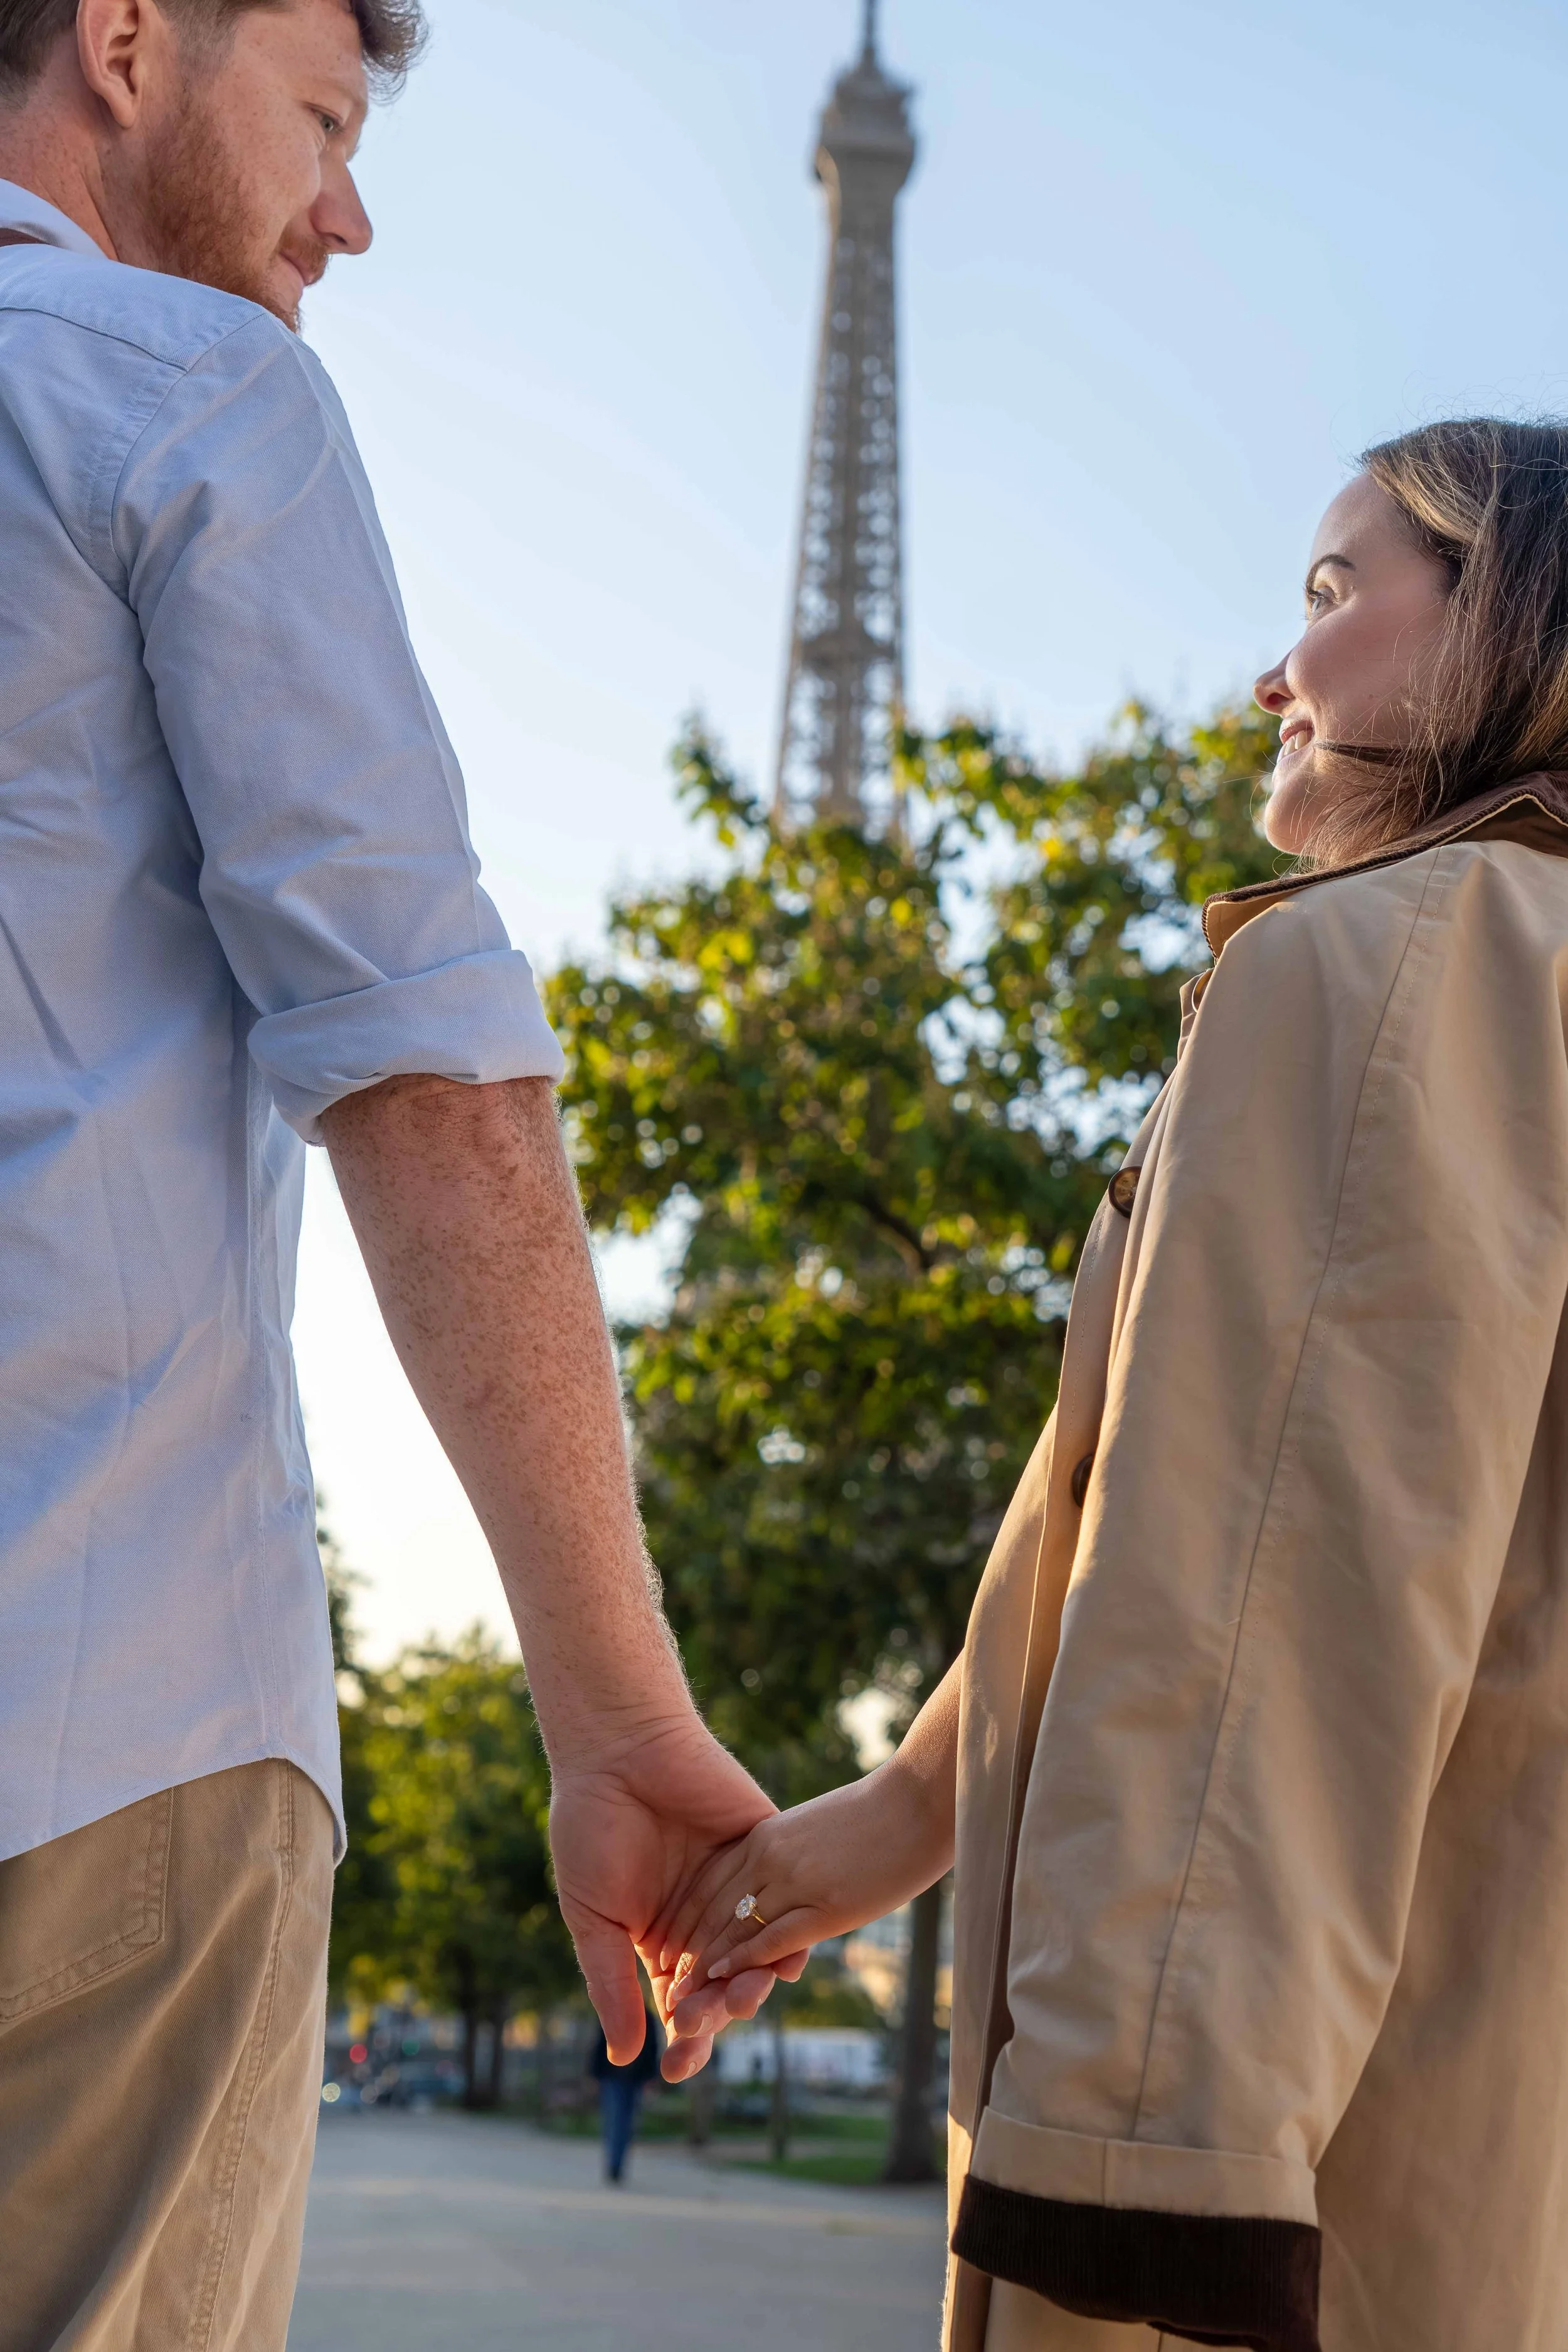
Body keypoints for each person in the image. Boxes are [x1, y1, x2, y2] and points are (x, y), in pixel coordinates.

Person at [0, 1, 783, 2343]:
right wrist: (617, 1713)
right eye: (327, 119)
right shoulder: (173, 395)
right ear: (129, 38)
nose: (349, 208)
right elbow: (429, 1074)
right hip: (94, 1695)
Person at [662, 419, 1568, 2352]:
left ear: (1506, 619)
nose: (1273, 668)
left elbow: (1264, 1612)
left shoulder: (1382, 959)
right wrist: (902, 1811)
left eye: (1333, 592)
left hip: (1279, 2164)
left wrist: (1135, 2168)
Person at [590, 2008, 662, 2185]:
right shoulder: (611, 2012)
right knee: (616, 2120)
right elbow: (600, 2044)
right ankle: (614, 2164)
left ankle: (618, 2164)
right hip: (613, 2077)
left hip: (634, 2079)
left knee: (627, 2123)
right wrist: (595, 2074)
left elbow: (652, 2048)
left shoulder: (647, 2017)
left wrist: (650, 2078)